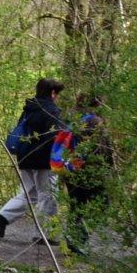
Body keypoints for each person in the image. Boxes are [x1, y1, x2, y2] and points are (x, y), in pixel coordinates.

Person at [0, 77, 67, 243]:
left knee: (30, 193)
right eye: (57, 93)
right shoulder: (52, 111)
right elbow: (55, 137)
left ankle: (3, 217)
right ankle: (43, 235)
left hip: (25, 157)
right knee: (47, 195)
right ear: (52, 93)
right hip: (43, 161)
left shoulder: (29, 108)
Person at [56, 93, 111, 256]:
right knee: (103, 203)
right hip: (90, 171)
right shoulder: (95, 122)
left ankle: (73, 241)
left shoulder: (68, 118)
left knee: (76, 206)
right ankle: (77, 239)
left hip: (70, 168)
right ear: (97, 104)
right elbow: (103, 148)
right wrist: (107, 167)